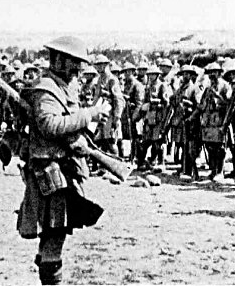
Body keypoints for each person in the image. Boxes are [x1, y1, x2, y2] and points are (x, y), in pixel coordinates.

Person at [15, 36, 109, 284]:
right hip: (50, 173)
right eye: (74, 63)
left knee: (54, 236)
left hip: (62, 169)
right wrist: (90, 114)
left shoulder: (62, 85)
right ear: (58, 59)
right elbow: (50, 125)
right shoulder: (46, 89)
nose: (79, 69)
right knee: (54, 236)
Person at [192, 62, 232, 182]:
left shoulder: (225, 86)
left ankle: (220, 171)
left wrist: (217, 96)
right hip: (208, 121)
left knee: (220, 148)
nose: (212, 75)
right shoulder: (207, 87)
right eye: (210, 73)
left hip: (220, 120)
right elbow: (201, 103)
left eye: (214, 72)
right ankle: (213, 170)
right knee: (210, 147)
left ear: (219, 73)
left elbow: (229, 103)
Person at [136, 65, 169, 170]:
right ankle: (142, 162)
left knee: (157, 141)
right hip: (149, 117)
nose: (151, 76)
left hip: (158, 117)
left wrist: (157, 103)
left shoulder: (162, 86)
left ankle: (159, 162)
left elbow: (166, 103)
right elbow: (145, 101)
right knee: (145, 141)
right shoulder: (148, 87)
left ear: (157, 75)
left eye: (153, 74)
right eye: (149, 74)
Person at [92, 54, 125, 157]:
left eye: (100, 65)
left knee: (111, 141)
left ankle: (118, 164)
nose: (98, 67)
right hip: (101, 113)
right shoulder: (100, 79)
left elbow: (118, 99)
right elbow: (96, 97)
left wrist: (117, 116)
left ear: (105, 65)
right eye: (97, 65)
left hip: (111, 114)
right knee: (101, 141)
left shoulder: (112, 79)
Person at [121, 61, 145, 161]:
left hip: (136, 114)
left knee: (137, 137)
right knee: (131, 137)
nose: (126, 74)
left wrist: (135, 116)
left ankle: (140, 159)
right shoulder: (126, 85)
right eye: (125, 72)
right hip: (127, 114)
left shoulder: (137, 85)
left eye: (128, 72)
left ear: (132, 72)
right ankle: (132, 155)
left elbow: (140, 102)